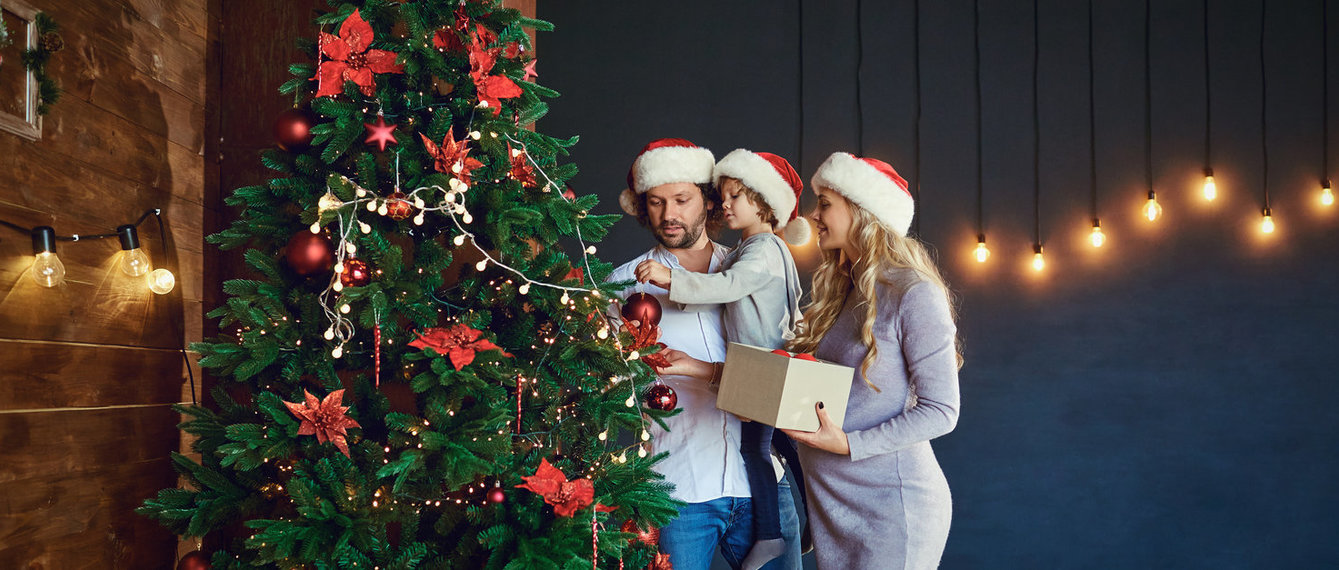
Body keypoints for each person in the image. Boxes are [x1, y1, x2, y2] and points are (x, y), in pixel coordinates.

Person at [607, 138, 803, 570]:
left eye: (682, 199)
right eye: (656, 202)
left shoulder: (749, 268)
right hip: (679, 491)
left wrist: (704, 370)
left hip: (764, 488)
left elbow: (785, 361)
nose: (669, 214)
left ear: (710, 202)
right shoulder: (622, 286)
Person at [777, 152, 962, 569]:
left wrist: (848, 444)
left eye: (825, 203)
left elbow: (942, 411)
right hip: (833, 507)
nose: (814, 215)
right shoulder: (840, 292)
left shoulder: (912, 294)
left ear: (862, 210)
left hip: (891, 508)